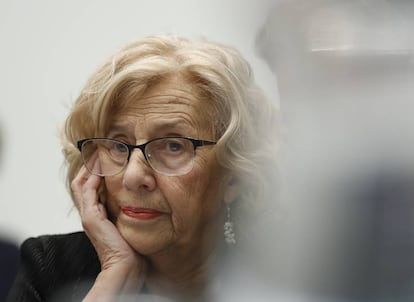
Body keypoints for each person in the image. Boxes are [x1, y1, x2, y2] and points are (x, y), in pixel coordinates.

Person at [7, 35, 279, 301]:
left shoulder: (285, 278)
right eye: (117, 145)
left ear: (234, 176)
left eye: (173, 146)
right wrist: (113, 279)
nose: (133, 176)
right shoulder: (51, 268)